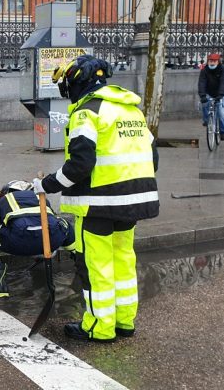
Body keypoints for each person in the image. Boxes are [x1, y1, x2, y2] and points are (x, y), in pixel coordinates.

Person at [33, 55, 159, 342]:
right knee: (123, 260)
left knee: (96, 265)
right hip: (132, 204)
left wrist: (46, 184)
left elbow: (79, 166)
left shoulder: (86, 113)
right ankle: (124, 321)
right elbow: (153, 158)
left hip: (99, 206)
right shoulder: (131, 111)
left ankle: (99, 327)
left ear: (78, 82)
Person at [0, 180, 75, 298]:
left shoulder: (3, 201)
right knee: (65, 224)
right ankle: (82, 266)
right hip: (51, 240)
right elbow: (50, 221)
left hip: (19, 240)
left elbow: (2, 227)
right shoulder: (40, 198)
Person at [198, 53, 224, 140]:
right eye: (210, 61)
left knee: (221, 113)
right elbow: (202, 83)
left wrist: (221, 95)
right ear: (207, 61)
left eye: (214, 61)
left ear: (218, 62)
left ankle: (223, 132)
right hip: (209, 92)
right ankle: (206, 120)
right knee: (204, 104)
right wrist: (202, 95)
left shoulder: (223, 69)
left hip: (221, 94)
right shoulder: (204, 70)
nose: (212, 63)